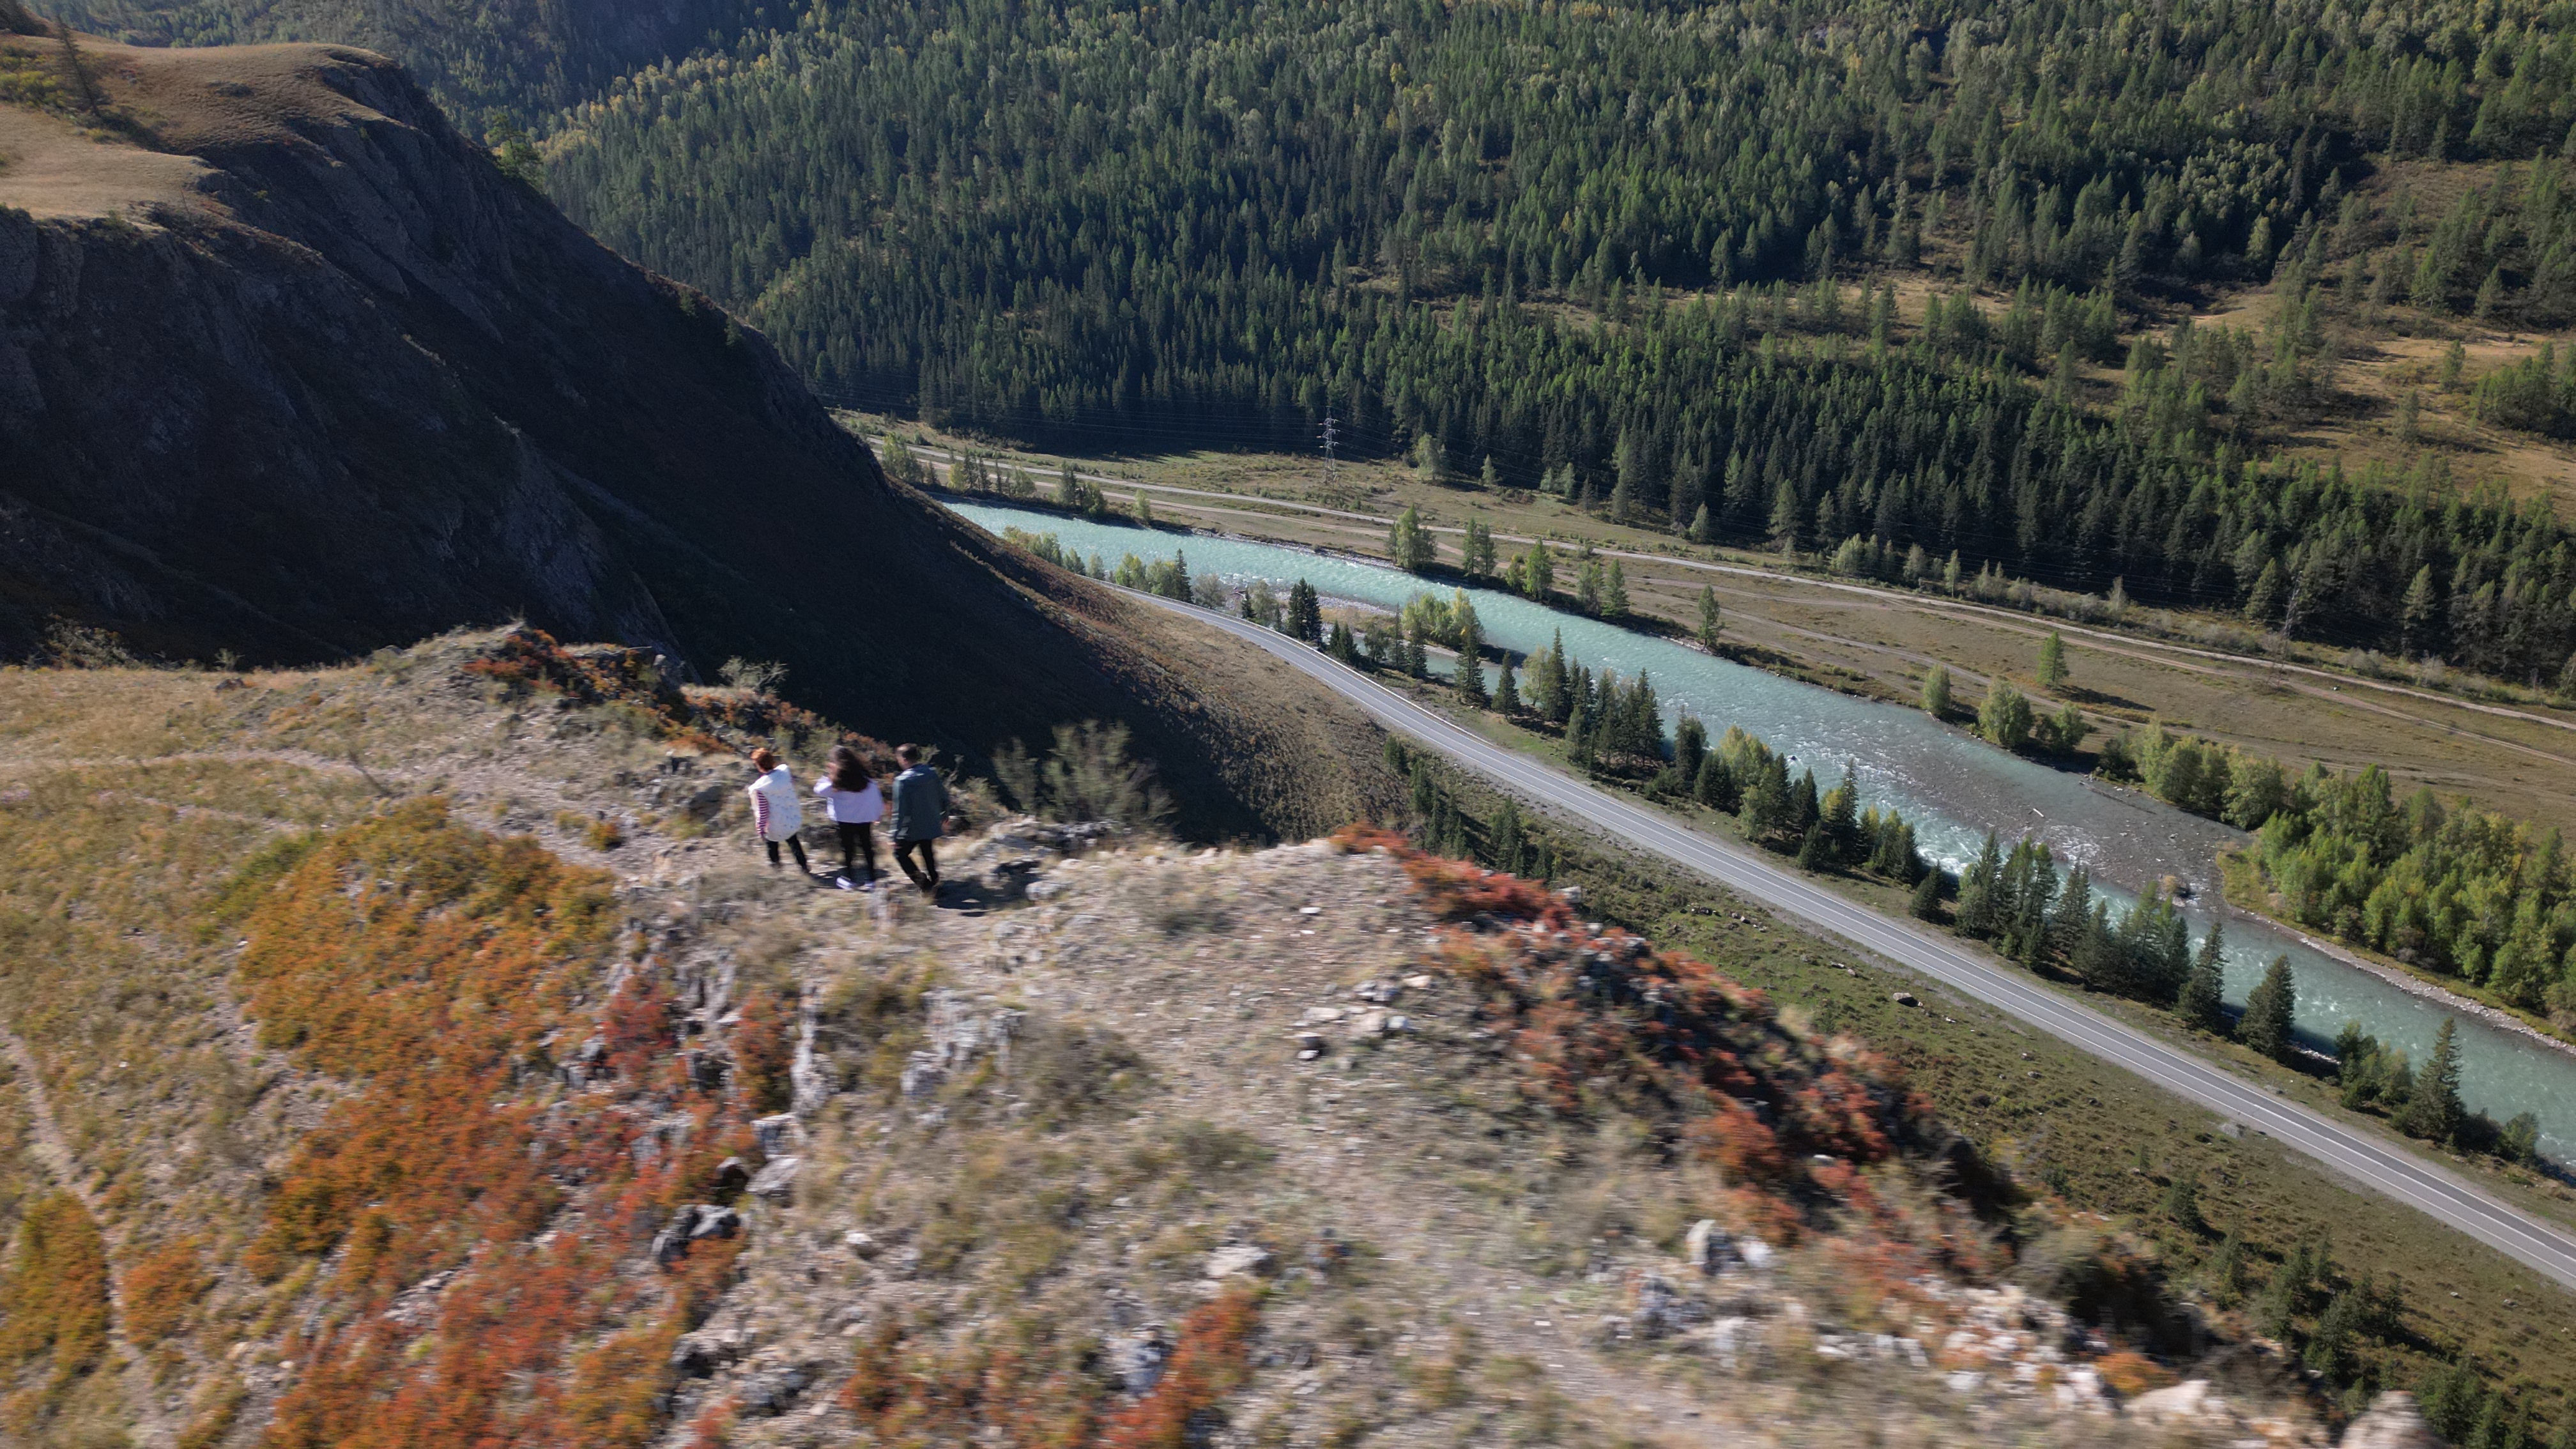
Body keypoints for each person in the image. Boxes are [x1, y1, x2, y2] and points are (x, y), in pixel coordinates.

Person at [813, 744, 884, 887]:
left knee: (848, 849)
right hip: (864, 818)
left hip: (845, 820)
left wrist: (828, 775)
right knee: (867, 848)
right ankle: (872, 880)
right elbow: (876, 797)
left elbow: (819, 791)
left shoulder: (837, 782)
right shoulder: (865, 778)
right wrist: (877, 814)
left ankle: (849, 879)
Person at [888, 743, 949, 898]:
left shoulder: (902, 782)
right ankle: (935, 880)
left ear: (903, 759)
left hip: (911, 827)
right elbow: (943, 795)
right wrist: (945, 814)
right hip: (931, 821)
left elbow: (899, 812)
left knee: (900, 854)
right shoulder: (931, 773)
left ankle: (925, 885)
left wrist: (894, 836)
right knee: (927, 850)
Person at [746, 747, 809, 871]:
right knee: (794, 842)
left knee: (772, 846)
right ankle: (804, 867)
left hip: (774, 824)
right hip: (790, 817)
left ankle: (777, 869)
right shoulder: (785, 773)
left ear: (759, 766)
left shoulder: (761, 787)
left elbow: (763, 811)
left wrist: (760, 828)